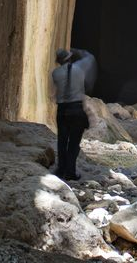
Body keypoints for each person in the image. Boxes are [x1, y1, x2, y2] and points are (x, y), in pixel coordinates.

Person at [50, 47, 97, 181]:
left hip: (62, 110)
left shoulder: (55, 73)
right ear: (70, 58)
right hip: (76, 109)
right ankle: (71, 171)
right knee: (74, 143)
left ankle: (61, 169)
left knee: (62, 141)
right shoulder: (79, 70)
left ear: (58, 62)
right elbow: (86, 85)